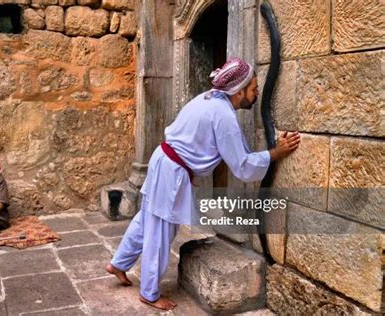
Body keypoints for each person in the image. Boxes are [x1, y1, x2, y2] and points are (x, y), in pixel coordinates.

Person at [105, 57, 301, 310]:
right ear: (239, 91)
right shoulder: (224, 116)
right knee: (161, 231)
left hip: (166, 163)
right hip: (171, 172)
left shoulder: (208, 98)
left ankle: (118, 263)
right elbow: (242, 166)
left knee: (147, 220)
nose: (256, 92)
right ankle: (149, 293)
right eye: (253, 88)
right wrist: (275, 153)